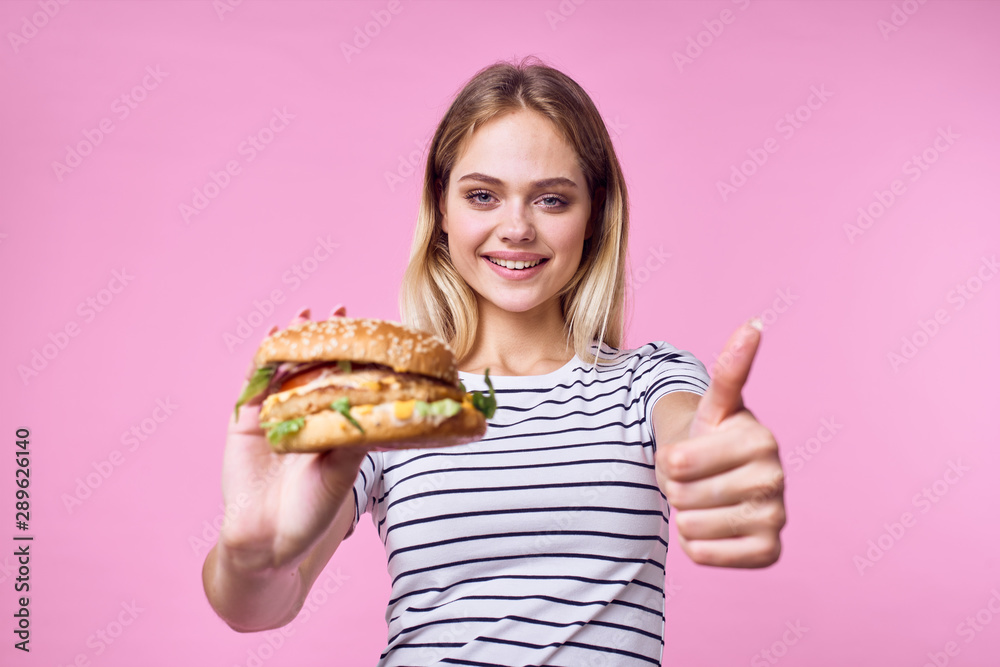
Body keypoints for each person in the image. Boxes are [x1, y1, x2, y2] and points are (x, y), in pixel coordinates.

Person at [203, 56, 786, 666]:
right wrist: (249, 553)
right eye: (483, 195)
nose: (516, 228)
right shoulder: (391, 401)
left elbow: (693, 438)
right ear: (442, 208)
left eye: (552, 201)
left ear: (593, 215)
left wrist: (721, 467)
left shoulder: (649, 383)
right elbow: (259, 608)